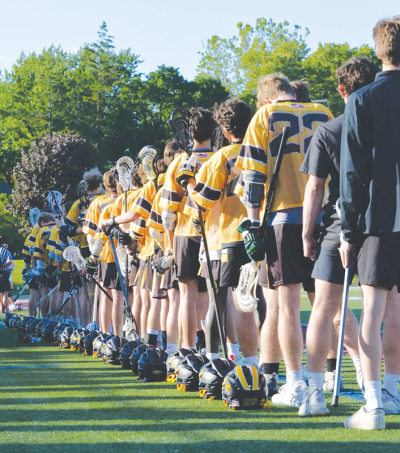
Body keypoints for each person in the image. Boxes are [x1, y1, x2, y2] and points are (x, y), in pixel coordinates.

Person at [234, 73, 333, 406]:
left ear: (265, 99)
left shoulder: (264, 116)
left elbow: (252, 178)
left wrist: (251, 223)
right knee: (329, 305)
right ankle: (349, 375)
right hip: (324, 217)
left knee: (287, 305)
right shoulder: (323, 111)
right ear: (292, 91)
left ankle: (295, 384)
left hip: (284, 218)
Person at [298, 57, 380, 417]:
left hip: (336, 225)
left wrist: (306, 233)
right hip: (379, 223)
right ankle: (380, 387)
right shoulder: (385, 125)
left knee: (324, 308)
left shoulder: (328, 130)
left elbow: (315, 188)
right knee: (380, 309)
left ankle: (315, 392)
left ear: (341, 89)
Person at [339, 17, 400, 430]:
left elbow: (351, 173)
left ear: (379, 50)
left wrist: (347, 232)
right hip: (384, 215)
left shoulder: (362, 98)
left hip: (380, 218)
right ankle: (392, 391)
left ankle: (376, 401)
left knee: (374, 309)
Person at [186, 97, 259, 366]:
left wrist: (189, 183)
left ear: (225, 130)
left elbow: (201, 201)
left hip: (228, 237)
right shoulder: (263, 150)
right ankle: (256, 366)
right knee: (254, 303)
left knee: (219, 302)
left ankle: (213, 360)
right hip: (260, 233)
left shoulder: (222, 157)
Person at [160, 108, 215, 350]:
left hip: (185, 234)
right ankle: (213, 350)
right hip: (215, 234)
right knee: (215, 298)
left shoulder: (180, 162)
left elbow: (168, 213)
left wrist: (169, 247)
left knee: (187, 297)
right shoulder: (221, 156)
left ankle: (187, 349)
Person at [0, 237, 13, 313]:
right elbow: (9, 260)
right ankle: (7, 310)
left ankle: (2, 309)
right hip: (2, 273)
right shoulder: (5, 251)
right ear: (3, 243)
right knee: (5, 293)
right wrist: (3, 265)